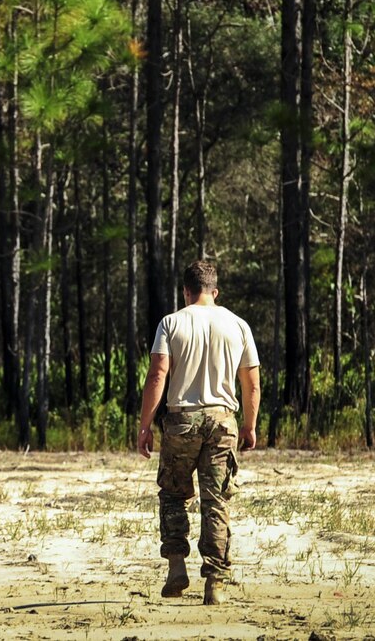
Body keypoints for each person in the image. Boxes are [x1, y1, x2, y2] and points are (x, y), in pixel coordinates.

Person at [135, 258, 260, 605]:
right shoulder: (238, 325)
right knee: (216, 501)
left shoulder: (171, 323)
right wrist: (249, 425)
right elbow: (251, 382)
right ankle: (215, 583)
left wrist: (145, 425)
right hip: (223, 421)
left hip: (182, 419)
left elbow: (158, 374)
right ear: (215, 291)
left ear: (186, 292)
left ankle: (177, 567)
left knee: (174, 494)